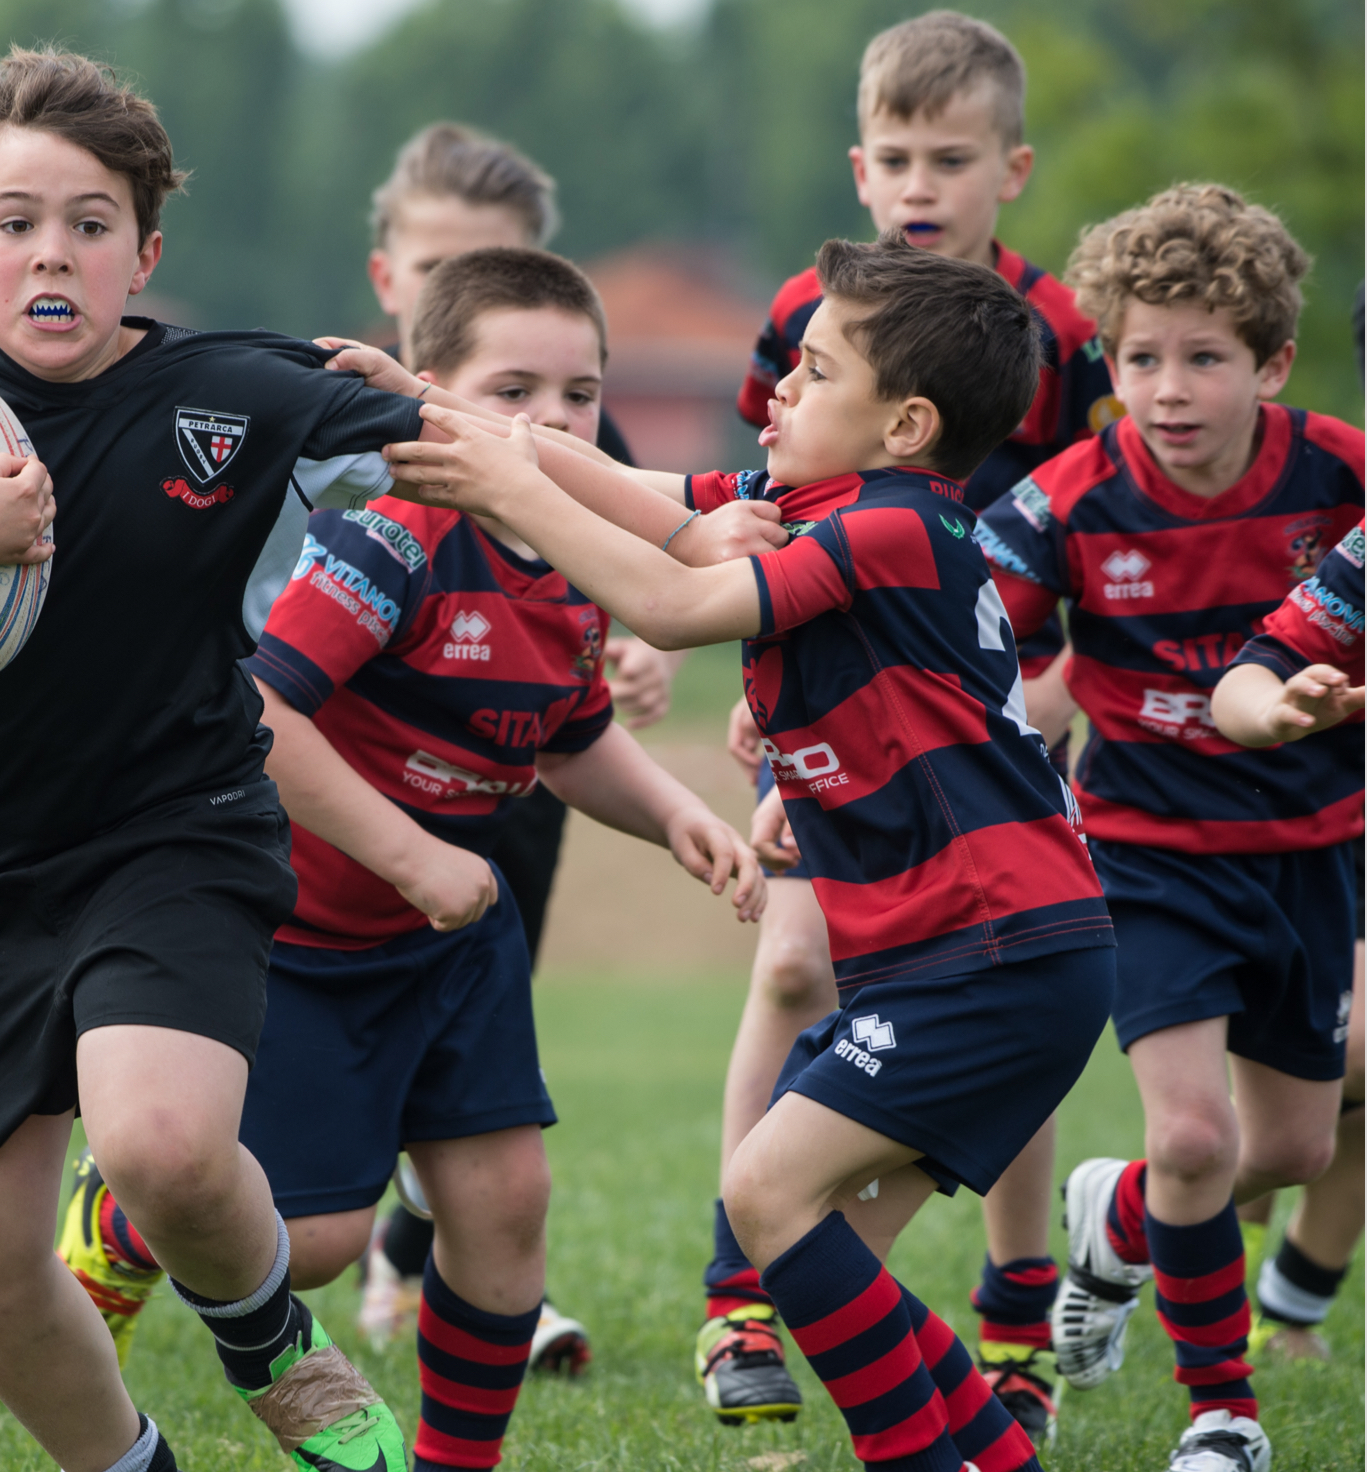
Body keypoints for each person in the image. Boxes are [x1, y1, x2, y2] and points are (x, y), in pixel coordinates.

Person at [0, 49, 784, 1472]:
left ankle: (263, 1336)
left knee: (165, 1145)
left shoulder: (228, 393)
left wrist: (695, 520)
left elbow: (491, 443)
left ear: (144, 252)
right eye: (18, 221)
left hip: (179, 832)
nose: (54, 252)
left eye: (92, 223)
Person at [360, 229, 1115, 1472]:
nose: (777, 392)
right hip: (979, 952)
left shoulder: (898, 525)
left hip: (992, 948)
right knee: (824, 1247)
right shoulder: (824, 504)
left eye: (815, 374)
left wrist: (500, 493)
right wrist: (430, 404)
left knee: (769, 1196)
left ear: (909, 424)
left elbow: (668, 601)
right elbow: (635, 496)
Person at [55, 246, 765, 1471]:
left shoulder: (587, 556)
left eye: (580, 393)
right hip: (311, 934)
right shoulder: (395, 538)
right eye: (512, 391)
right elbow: (256, 719)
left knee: (503, 1201)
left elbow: (567, 728)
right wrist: (411, 852)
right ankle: (123, 1209)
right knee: (315, 1240)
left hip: (451, 938)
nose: (549, 421)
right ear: (428, 398)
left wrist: (670, 812)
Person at [705, 12, 1118, 1435]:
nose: (922, 183)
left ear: (1012, 168)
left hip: (993, 702)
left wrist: (1032, 699)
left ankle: (1012, 1307)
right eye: (897, 157)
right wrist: (797, 706)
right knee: (795, 971)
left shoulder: (1055, 332)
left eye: (953, 157)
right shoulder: (805, 317)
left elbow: (1092, 518)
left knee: (983, 980)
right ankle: (739, 1297)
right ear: (859, 172)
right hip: (854, 681)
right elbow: (755, 507)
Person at [977, 183, 1361, 1472]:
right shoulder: (1064, 503)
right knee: (1196, 1135)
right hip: (1143, 854)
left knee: (1293, 1146)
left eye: (1206, 358)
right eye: (1142, 358)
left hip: (1313, 854)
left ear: (1273, 363)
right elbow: (962, 644)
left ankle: (1118, 1212)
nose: (1170, 389)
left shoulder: (1342, 477)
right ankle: (1223, 1413)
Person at [355, 120, 680, 1371]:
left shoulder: (571, 438)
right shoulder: (327, 424)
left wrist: (641, 644)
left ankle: (446, 1276)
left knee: (472, 1055)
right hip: (334, 798)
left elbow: (641, 567)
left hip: (510, 786)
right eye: (442, 271)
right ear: (390, 279)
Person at [1214, 529, 1364, 1365]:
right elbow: (1270, 655)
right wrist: (1276, 704)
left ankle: (1292, 1307)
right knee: (1351, 1062)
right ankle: (1154, 1217)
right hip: (1330, 825)